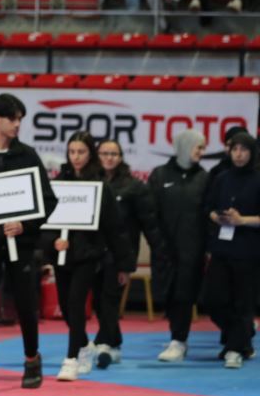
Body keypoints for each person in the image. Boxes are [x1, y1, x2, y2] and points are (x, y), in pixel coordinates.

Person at [0, 93, 58, 394]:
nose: (18, 124)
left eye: (20, 119)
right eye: (13, 118)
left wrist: (25, 224)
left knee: (26, 304)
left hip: (21, 245)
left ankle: (32, 360)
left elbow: (48, 201)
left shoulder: (28, 155)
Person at [46, 133, 134, 381]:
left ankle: (71, 358)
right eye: (72, 151)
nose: (76, 157)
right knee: (65, 307)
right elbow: (47, 219)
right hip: (61, 254)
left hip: (89, 255)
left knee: (76, 302)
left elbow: (115, 228)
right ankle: (84, 345)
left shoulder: (100, 185)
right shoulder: (59, 181)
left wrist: (124, 264)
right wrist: (53, 241)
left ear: (90, 154)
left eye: (81, 152)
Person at [95, 139, 168, 367]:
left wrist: (160, 252)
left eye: (114, 154)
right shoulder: (91, 182)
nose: (109, 158)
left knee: (109, 299)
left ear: (120, 157)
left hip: (119, 255)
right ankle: (110, 340)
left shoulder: (135, 187)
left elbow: (150, 225)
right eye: (105, 153)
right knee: (98, 301)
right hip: (92, 253)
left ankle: (107, 343)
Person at [203, 131, 260, 368]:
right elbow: (209, 207)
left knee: (243, 303)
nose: (239, 154)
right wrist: (218, 217)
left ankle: (236, 349)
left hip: (249, 250)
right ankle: (244, 334)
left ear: (252, 153)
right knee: (213, 300)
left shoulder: (258, 179)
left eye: (244, 150)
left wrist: (242, 220)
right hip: (222, 248)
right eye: (235, 149)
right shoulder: (221, 178)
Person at [151, 129, 208, 362]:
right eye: (199, 147)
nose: (202, 152)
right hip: (164, 249)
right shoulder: (160, 175)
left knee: (184, 295)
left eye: (203, 148)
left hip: (192, 251)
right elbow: (150, 213)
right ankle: (176, 336)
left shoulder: (204, 178)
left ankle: (179, 340)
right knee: (167, 294)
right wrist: (158, 243)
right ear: (185, 147)